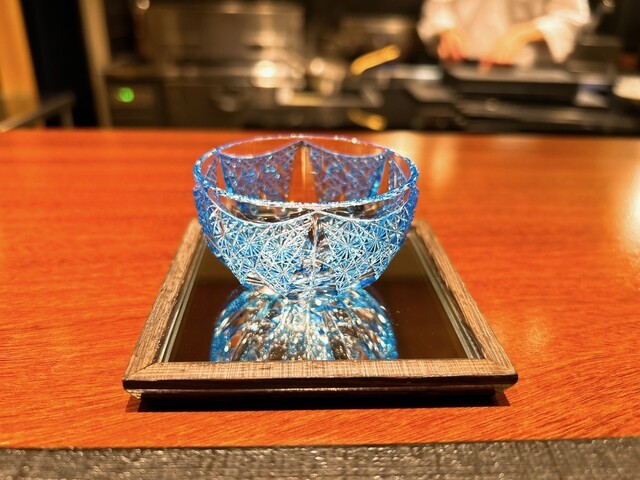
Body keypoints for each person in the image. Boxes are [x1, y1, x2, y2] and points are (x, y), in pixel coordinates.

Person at [418, 0, 591, 67]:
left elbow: (571, 16)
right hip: (459, 68)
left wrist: (525, 32)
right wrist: (447, 29)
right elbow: (436, 8)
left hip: (526, 76)